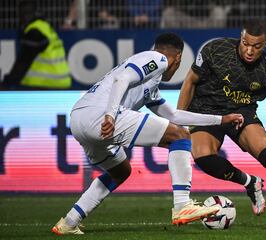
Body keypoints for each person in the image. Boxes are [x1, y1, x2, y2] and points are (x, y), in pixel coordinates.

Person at [51, 33, 245, 235]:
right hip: (101, 115)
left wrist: (221, 119)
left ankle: (69, 222)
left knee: (120, 171)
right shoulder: (157, 58)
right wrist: (110, 115)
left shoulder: (150, 87)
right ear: (177, 58)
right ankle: (181, 205)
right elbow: (121, 79)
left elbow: (175, 116)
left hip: (78, 120)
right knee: (180, 136)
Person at [177, 19, 266, 230]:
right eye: (246, 43)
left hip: (241, 114)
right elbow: (190, 81)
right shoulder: (215, 49)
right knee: (203, 157)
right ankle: (249, 182)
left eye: (256, 46)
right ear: (241, 37)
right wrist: (180, 118)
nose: (250, 50)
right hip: (205, 110)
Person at [1, 0, 71, 90]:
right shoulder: (44, 27)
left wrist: (6, 83)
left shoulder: (34, 32)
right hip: (61, 82)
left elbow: (23, 61)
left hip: (46, 84)